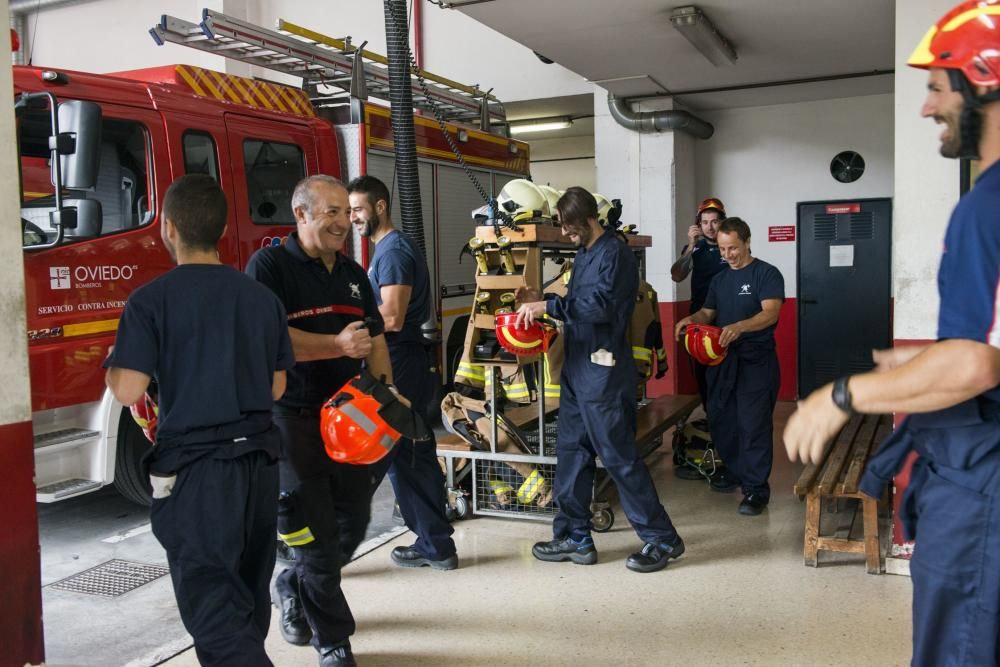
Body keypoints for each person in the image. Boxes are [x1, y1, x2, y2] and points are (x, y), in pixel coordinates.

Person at [785, 2, 1000, 662]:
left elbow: (976, 366)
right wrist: (914, 361)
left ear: (984, 82)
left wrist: (840, 395)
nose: (926, 107)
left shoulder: (987, 205)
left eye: (938, 86)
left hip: (985, 495)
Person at [104, 174, 293, 666]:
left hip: (198, 473)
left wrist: (119, 360)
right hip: (259, 464)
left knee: (211, 603)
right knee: (248, 596)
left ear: (167, 227)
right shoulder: (261, 299)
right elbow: (277, 388)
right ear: (223, 228)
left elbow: (128, 390)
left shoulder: (150, 301)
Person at [246, 175, 394, 667]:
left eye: (347, 212)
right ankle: (334, 640)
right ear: (302, 215)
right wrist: (334, 346)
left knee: (354, 522)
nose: (343, 222)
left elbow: (374, 338)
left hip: (350, 419)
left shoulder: (353, 272)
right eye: (331, 211)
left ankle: (290, 583)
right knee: (317, 534)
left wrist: (388, 396)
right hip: (293, 418)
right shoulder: (269, 267)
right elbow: (265, 340)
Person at [515, 186, 685, 573]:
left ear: (587, 219)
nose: (565, 233)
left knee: (619, 458)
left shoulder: (617, 255)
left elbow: (600, 307)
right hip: (577, 371)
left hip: (605, 375)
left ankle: (663, 539)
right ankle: (575, 536)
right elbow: (574, 304)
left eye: (568, 226)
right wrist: (538, 298)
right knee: (571, 455)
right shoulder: (584, 254)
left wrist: (550, 305)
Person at [346, 175, 458, 570]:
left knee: (387, 454)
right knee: (410, 454)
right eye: (349, 210)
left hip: (398, 359)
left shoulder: (392, 252)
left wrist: (345, 331)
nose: (353, 217)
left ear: (379, 207)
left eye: (358, 209)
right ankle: (435, 542)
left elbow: (390, 317)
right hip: (402, 358)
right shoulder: (387, 250)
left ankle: (335, 543)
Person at [674, 218, 784, 516]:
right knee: (722, 419)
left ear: (747, 242)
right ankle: (735, 471)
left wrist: (739, 327)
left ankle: (756, 489)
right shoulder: (720, 280)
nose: (727, 255)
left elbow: (770, 313)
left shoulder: (766, 274)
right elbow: (708, 312)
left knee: (753, 424)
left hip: (756, 361)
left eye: (732, 248)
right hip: (722, 361)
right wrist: (691, 320)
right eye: (723, 249)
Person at [671, 197, 729, 410]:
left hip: (727, 316)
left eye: (714, 221)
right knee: (703, 367)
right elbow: (677, 276)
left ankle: (725, 412)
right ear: (698, 224)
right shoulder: (694, 248)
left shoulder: (731, 246)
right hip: (700, 316)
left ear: (723, 221)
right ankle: (709, 413)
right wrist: (692, 246)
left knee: (726, 367)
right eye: (705, 222)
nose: (710, 227)